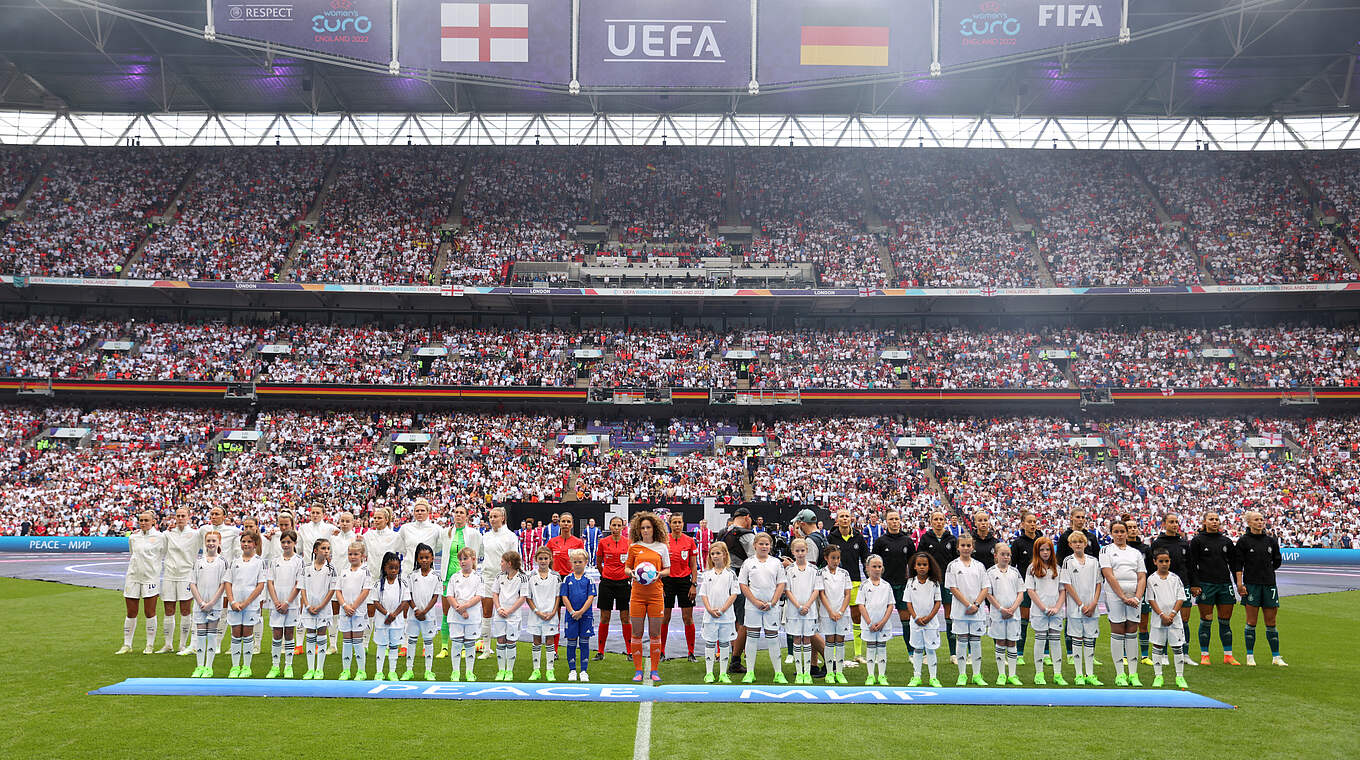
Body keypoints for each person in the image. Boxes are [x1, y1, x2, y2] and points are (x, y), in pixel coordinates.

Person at [1189, 512, 1242, 666]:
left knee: (1225, 621)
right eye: (1211, 519)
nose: (1214, 521)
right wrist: (1195, 584)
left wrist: (1238, 583)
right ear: (1204, 522)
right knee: (1206, 621)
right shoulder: (1197, 540)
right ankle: (1205, 655)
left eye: (1216, 519)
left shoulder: (1226, 541)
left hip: (1225, 585)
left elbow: (1233, 564)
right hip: (1206, 585)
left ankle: (1228, 655)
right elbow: (1192, 565)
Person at [626, 511, 671, 683]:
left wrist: (659, 574)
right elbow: (626, 568)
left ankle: (654, 670)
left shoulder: (662, 547)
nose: (645, 530)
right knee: (636, 633)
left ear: (654, 529)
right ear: (639, 529)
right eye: (643, 528)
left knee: (655, 634)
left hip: (656, 595)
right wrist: (631, 573)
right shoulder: (634, 547)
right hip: (637, 595)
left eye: (648, 527)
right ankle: (638, 670)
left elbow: (668, 569)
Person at [1237, 510, 1287, 667]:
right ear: (1249, 523)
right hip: (1251, 585)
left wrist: (1267, 570)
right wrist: (1240, 584)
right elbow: (1238, 564)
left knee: (1271, 621)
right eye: (1256, 520)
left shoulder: (1271, 541)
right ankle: (1250, 656)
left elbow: (1277, 561)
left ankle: (1276, 657)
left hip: (1269, 584)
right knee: (1251, 621)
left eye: (1262, 519)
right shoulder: (1243, 541)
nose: (1260, 522)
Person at [1101, 521, 1147, 686]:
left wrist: (1137, 597)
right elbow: (1109, 575)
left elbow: (1142, 576)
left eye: (1122, 531)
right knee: (1118, 629)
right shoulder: (1106, 550)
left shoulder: (1135, 553)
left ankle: (1133, 674)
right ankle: (1120, 673)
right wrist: (1122, 596)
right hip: (1115, 596)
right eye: (1116, 531)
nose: (1119, 534)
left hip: (1134, 597)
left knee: (1132, 630)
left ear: (1127, 533)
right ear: (1111, 533)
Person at [738, 532, 787, 684]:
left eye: (767, 544)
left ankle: (778, 673)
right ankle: (750, 672)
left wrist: (772, 602)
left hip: (771, 607)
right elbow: (743, 584)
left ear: (770, 546)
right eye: (761, 544)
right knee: (752, 638)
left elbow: (781, 584)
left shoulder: (776, 563)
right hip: (753, 607)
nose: (764, 547)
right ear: (755, 545)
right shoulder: (748, 562)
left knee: (773, 639)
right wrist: (755, 601)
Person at [1147, 513, 1196, 665]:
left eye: (1176, 522)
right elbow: (1151, 565)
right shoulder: (1157, 543)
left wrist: (1195, 583)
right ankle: (1162, 654)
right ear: (1164, 524)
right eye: (1171, 522)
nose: (1174, 525)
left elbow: (1190, 565)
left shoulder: (1183, 543)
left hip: (1182, 584)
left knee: (1184, 620)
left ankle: (1185, 653)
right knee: (1164, 618)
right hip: (1162, 585)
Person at [437, 505, 482, 658]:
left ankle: (465, 647)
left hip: (467, 577)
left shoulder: (474, 534)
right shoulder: (446, 533)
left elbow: (480, 552)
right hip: (448, 577)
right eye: (456, 512)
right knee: (445, 613)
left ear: (467, 516)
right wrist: (443, 577)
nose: (458, 515)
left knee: (466, 610)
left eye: (461, 513)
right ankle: (444, 647)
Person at [871, 509, 916, 664]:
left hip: (903, 586)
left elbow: (913, 563)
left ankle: (911, 653)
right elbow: (873, 563)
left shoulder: (907, 541)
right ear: (886, 522)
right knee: (879, 619)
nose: (895, 521)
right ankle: (878, 653)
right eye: (891, 519)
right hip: (884, 586)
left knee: (906, 620)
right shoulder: (880, 542)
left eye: (897, 518)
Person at [945, 533, 990, 686]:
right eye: (963, 545)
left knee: (976, 642)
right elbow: (953, 587)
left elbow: (985, 587)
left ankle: (977, 675)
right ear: (958, 547)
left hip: (977, 611)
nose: (966, 548)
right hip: (960, 611)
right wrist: (968, 605)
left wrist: (976, 604)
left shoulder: (979, 566)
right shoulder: (953, 565)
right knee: (962, 641)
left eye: (968, 545)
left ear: (973, 547)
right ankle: (962, 674)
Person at [1056, 507, 1100, 663]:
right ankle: (1070, 653)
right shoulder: (1064, 537)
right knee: (1072, 615)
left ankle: (1090, 654)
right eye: (1078, 517)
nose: (1081, 519)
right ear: (1071, 518)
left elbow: (1097, 558)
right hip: (1071, 581)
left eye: (1083, 517)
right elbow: (1060, 559)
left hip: (1088, 579)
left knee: (1091, 616)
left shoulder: (1091, 537)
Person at [118, 511, 165, 655]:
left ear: (153, 522)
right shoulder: (133, 537)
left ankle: (149, 645)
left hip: (150, 578)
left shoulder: (160, 537)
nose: (143, 523)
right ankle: (127, 644)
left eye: (146, 520)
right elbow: (133, 554)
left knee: (149, 612)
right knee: (131, 612)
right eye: (141, 520)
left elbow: (163, 554)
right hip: (133, 577)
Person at [827, 508, 870, 665]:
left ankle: (858, 654)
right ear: (837, 520)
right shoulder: (831, 537)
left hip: (855, 582)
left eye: (847, 516)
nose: (844, 519)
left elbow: (866, 557)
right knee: (836, 617)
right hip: (835, 583)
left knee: (856, 618)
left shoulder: (858, 537)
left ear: (851, 519)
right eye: (841, 516)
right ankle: (833, 654)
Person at [477, 507, 521, 661]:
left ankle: (508, 645)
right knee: (486, 613)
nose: (492, 519)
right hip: (488, 578)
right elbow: (481, 554)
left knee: (506, 613)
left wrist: (511, 577)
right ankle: (486, 648)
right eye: (490, 516)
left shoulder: (510, 537)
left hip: (505, 579)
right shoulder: (485, 536)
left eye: (495, 516)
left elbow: (515, 558)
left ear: (503, 517)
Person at [224, 528, 267, 678]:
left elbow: (260, 585)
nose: (246, 544)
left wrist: (246, 603)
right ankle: (235, 667)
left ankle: (246, 667)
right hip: (235, 605)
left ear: (255, 544)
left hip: (251, 605)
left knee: (247, 633)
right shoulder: (234, 561)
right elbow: (228, 582)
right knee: (236, 633)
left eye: (249, 542)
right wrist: (233, 601)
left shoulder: (259, 562)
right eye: (243, 541)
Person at [916, 511, 959, 662]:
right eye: (936, 519)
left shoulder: (952, 539)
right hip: (930, 582)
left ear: (945, 521)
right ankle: (928, 653)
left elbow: (956, 562)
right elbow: (920, 558)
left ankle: (953, 653)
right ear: (931, 521)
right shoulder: (925, 538)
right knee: (928, 615)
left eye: (941, 519)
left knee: (949, 617)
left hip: (947, 582)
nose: (939, 522)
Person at [1060, 531, 1099, 687]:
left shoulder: (1094, 561)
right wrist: (1081, 604)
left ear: (1085, 543)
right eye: (1074, 542)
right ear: (1070, 545)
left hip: (1092, 607)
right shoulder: (1067, 561)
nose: (1077, 544)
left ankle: (1090, 674)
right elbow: (1067, 585)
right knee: (1077, 640)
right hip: (1076, 609)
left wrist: (1094, 603)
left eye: (1080, 541)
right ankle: (1078, 675)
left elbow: (1098, 583)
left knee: (1090, 640)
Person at [721, 507, 757, 675]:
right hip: (741, 579)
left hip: (724, 579)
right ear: (747, 517)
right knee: (743, 620)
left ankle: (726, 654)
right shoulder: (747, 535)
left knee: (729, 618)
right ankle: (736, 659)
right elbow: (756, 561)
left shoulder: (722, 532)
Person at [1147, 548, 1189, 689]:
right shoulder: (1151, 579)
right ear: (1155, 562)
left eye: (1167, 561)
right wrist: (1161, 615)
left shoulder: (1175, 578)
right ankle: (1158, 676)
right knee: (1158, 646)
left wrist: (1171, 614)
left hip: (1174, 620)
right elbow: (1151, 599)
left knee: (1177, 647)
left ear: (1170, 562)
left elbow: (1181, 597)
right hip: (1158, 620)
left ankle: (1180, 676)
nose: (1164, 564)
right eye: (1161, 561)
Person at [1025, 536, 1066, 685]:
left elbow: (1063, 590)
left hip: (1056, 611)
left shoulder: (1058, 568)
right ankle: (1039, 673)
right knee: (1040, 641)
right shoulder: (1032, 569)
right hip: (1039, 611)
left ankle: (1057, 674)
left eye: (1048, 549)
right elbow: (1030, 590)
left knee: (1055, 641)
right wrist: (1043, 608)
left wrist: (1057, 607)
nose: (1045, 552)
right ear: (1037, 551)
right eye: (1042, 550)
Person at [188, 529, 229, 677]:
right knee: (200, 635)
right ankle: (199, 667)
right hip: (200, 605)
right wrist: (200, 602)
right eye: (208, 541)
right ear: (204, 543)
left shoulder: (222, 562)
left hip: (214, 605)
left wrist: (211, 603)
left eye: (214, 541)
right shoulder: (198, 562)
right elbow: (192, 583)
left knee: (211, 635)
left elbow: (223, 584)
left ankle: (209, 667)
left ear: (219, 543)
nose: (211, 543)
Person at [160, 506, 199, 656]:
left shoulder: (195, 534)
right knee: (169, 610)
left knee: (185, 610)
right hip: (169, 575)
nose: (180, 518)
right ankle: (168, 644)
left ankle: (182, 645)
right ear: (175, 518)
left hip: (186, 575)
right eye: (178, 516)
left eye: (183, 516)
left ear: (189, 517)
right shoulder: (168, 534)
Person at [698, 542, 739, 683]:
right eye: (713, 554)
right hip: (710, 617)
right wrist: (709, 609)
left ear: (725, 555)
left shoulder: (731, 574)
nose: (715, 556)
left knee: (724, 643)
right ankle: (709, 673)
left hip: (726, 617)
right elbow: (703, 594)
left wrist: (722, 610)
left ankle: (723, 673)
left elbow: (734, 594)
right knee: (710, 642)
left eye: (718, 553)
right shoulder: (707, 574)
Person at [265, 528, 303, 679]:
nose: (286, 545)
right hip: (276, 604)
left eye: (289, 542)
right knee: (276, 634)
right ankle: (275, 667)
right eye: (283, 542)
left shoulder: (299, 561)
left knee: (288, 634)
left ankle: (288, 666)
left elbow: (299, 584)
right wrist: (276, 601)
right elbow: (270, 582)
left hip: (291, 605)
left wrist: (287, 602)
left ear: (294, 543)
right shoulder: (275, 561)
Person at [661, 512, 699, 661]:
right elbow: (659, 564)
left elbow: (693, 565)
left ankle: (691, 652)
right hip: (667, 582)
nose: (677, 525)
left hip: (685, 582)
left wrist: (693, 584)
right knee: (665, 618)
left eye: (679, 522)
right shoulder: (663, 541)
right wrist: (660, 585)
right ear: (669, 524)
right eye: (674, 522)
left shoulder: (690, 541)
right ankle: (662, 652)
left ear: (683, 524)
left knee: (687, 618)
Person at [783, 537, 820, 684]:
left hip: (810, 611)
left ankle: (807, 673)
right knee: (797, 639)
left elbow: (816, 589)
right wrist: (798, 606)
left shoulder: (813, 570)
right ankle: (799, 673)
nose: (800, 553)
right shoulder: (789, 570)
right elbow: (787, 590)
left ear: (807, 551)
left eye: (802, 550)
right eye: (797, 551)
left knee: (807, 639)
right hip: (794, 610)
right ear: (792, 552)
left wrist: (808, 605)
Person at [444, 546, 485, 681]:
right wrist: (459, 608)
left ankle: (469, 671)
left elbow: (479, 596)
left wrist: (465, 607)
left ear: (473, 560)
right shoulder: (454, 577)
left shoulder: (478, 578)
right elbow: (449, 595)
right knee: (456, 643)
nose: (462, 561)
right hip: (456, 616)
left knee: (469, 643)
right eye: (460, 559)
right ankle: (455, 671)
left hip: (472, 616)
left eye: (465, 559)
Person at [986, 543, 1024, 686]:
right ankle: (1002, 674)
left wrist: (1013, 609)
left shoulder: (1015, 572)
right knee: (1001, 642)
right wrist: (1001, 609)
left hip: (1014, 614)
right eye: (1003, 554)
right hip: (998, 614)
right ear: (996, 555)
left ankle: (1013, 675)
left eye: (1008, 554)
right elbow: (988, 594)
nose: (1006, 557)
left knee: (1012, 642)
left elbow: (1021, 593)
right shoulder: (990, 572)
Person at [904, 551, 944, 688]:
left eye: (925, 565)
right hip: (915, 623)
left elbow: (938, 602)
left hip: (931, 623)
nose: (922, 567)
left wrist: (929, 618)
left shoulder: (934, 583)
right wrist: (915, 617)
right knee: (918, 649)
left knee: (931, 649)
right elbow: (908, 602)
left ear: (929, 566)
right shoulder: (910, 582)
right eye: (919, 564)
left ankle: (933, 678)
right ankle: (916, 677)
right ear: (914, 567)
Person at [596, 516, 632, 661]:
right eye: (614, 525)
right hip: (607, 583)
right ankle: (600, 651)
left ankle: (629, 652)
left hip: (623, 584)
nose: (616, 528)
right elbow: (599, 562)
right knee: (605, 617)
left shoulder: (629, 543)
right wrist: (605, 574)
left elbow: (632, 563)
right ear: (610, 527)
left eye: (619, 525)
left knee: (625, 617)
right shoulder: (603, 542)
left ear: (623, 527)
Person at [335, 540, 373, 681]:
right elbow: (338, 591)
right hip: (345, 611)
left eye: (356, 554)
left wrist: (354, 606)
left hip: (358, 612)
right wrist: (345, 605)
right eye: (350, 554)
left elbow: (365, 591)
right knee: (346, 641)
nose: (352, 557)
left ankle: (361, 671)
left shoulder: (365, 572)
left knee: (357, 641)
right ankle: (346, 671)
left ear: (362, 555)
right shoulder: (344, 571)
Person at [299, 538, 336, 679]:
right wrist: (307, 605)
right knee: (310, 635)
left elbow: (332, 590)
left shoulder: (331, 569)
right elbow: (302, 588)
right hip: (309, 608)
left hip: (323, 609)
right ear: (315, 550)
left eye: (328, 548)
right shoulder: (306, 568)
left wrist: (321, 606)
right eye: (323, 548)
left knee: (321, 635)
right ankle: (310, 669)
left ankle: (319, 669)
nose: (326, 551)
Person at [404, 543, 441, 681]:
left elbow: (435, 596)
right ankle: (409, 670)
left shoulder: (436, 576)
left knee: (428, 642)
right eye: (421, 558)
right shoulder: (412, 575)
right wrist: (415, 609)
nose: (424, 560)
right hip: (414, 615)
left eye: (427, 557)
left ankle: (428, 671)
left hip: (428, 616)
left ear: (432, 558)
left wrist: (424, 611)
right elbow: (409, 595)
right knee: (411, 641)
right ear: (417, 559)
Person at [371, 551, 410, 681]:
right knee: (382, 645)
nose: (394, 570)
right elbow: (376, 602)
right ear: (384, 568)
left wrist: (394, 615)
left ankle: (392, 672)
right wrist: (387, 614)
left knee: (394, 646)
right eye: (391, 568)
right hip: (382, 621)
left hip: (397, 622)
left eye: (396, 568)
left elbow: (405, 602)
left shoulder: (403, 584)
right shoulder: (378, 584)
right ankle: (379, 672)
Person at [490, 550, 529, 681]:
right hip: (500, 614)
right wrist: (499, 608)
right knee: (500, 641)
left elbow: (522, 597)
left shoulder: (522, 578)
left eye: (502, 561)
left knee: (511, 641)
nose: (500, 564)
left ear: (509, 563)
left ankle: (509, 671)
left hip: (513, 616)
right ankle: (501, 670)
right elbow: (495, 594)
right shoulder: (499, 576)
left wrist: (510, 611)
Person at [858, 554, 895, 686]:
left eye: (879, 566)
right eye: (874, 566)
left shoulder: (887, 586)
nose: (877, 569)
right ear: (867, 568)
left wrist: (883, 622)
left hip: (883, 625)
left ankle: (882, 676)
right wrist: (869, 622)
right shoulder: (864, 586)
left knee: (882, 648)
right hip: (869, 625)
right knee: (871, 648)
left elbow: (890, 605)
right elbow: (861, 605)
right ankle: (870, 675)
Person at [1010, 510, 1042, 666]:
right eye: (1029, 521)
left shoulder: (1042, 540)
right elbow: (1012, 567)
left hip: (1041, 586)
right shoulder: (1017, 543)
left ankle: (1046, 654)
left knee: (1043, 620)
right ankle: (1020, 653)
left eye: (1034, 521)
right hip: (1025, 587)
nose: (1032, 524)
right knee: (1023, 620)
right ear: (1022, 524)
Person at [818, 544, 852, 684]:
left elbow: (847, 594)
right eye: (833, 558)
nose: (836, 561)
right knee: (829, 641)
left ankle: (839, 672)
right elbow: (822, 594)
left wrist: (841, 611)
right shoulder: (821, 573)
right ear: (826, 558)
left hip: (842, 613)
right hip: (827, 614)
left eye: (838, 558)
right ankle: (830, 673)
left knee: (840, 641)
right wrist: (831, 612)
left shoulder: (844, 573)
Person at [526, 546, 561, 681]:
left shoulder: (555, 576)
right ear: (536, 560)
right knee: (536, 641)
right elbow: (528, 597)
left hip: (551, 615)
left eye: (546, 558)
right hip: (536, 614)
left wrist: (553, 612)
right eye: (540, 558)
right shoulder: (531, 576)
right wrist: (536, 611)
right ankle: (536, 670)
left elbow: (558, 596)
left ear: (550, 559)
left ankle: (550, 670)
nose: (543, 561)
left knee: (550, 640)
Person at [560, 548, 596, 682]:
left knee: (584, 642)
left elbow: (590, 597)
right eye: (575, 562)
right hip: (571, 616)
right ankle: (572, 670)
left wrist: (581, 612)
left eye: (580, 561)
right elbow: (564, 597)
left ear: (586, 562)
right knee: (571, 642)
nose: (577, 564)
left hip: (585, 616)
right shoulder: (567, 579)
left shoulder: (589, 580)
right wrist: (572, 612)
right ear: (571, 563)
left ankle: (584, 671)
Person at [399, 498, 442, 575]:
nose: (419, 513)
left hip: (428, 572)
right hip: (408, 571)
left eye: (422, 510)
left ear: (428, 512)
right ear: (414, 512)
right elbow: (402, 548)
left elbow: (438, 547)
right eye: (417, 511)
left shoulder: (436, 529)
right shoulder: (405, 528)